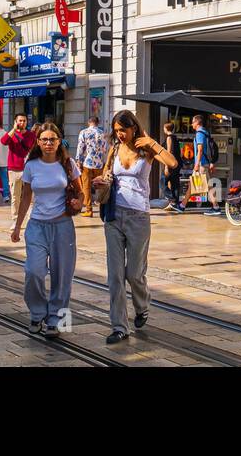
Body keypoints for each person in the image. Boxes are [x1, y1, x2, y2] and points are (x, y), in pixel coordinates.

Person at [92, 109, 177, 344]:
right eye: (116, 130)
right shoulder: (114, 149)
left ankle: (142, 306)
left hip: (139, 217)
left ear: (133, 127)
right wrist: (102, 180)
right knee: (115, 276)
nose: (120, 134)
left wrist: (152, 142)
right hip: (114, 215)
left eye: (124, 130)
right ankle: (119, 327)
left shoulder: (146, 149)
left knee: (134, 274)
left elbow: (173, 162)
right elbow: (106, 172)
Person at [10, 123, 82, 337]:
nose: (49, 143)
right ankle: (37, 312)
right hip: (37, 226)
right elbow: (25, 197)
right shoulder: (31, 165)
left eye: (53, 139)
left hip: (63, 227)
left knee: (62, 276)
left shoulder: (68, 164)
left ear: (59, 141)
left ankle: (56, 320)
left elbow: (80, 192)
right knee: (34, 271)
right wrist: (17, 226)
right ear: (38, 142)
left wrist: (80, 203)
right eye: (44, 140)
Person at [1, 114, 37, 233]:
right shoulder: (11, 134)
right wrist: (13, 130)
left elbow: (29, 146)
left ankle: (30, 219)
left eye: (24, 121)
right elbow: (3, 141)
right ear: (15, 121)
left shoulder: (31, 135)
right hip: (14, 169)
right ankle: (15, 220)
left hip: (28, 168)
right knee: (15, 197)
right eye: (20, 121)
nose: (22, 123)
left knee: (30, 196)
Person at [74, 116, 108, 217]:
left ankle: (89, 210)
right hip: (99, 163)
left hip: (87, 163)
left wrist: (78, 161)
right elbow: (105, 149)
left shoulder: (84, 132)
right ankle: (103, 208)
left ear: (89, 122)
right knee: (101, 186)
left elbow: (80, 147)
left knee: (86, 187)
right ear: (98, 123)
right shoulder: (103, 133)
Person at [191, 114, 221, 214]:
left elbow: (200, 150)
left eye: (193, 122)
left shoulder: (199, 133)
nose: (191, 124)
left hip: (202, 164)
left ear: (197, 122)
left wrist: (197, 164)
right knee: (204, 185)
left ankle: (216, 207)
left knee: (207, 186)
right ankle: (183, 204)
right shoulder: (205, 132)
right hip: (205, 163)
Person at [161, 121, 186, 213]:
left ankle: (172, 199)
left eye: (163, 128)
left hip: (171, 164)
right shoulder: (175, 138)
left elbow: (169, 152)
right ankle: (174, 204)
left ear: (166, 129)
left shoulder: (169, 138)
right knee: (175, 184)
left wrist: (167, 166)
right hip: (177, 163)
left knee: (162, 182)